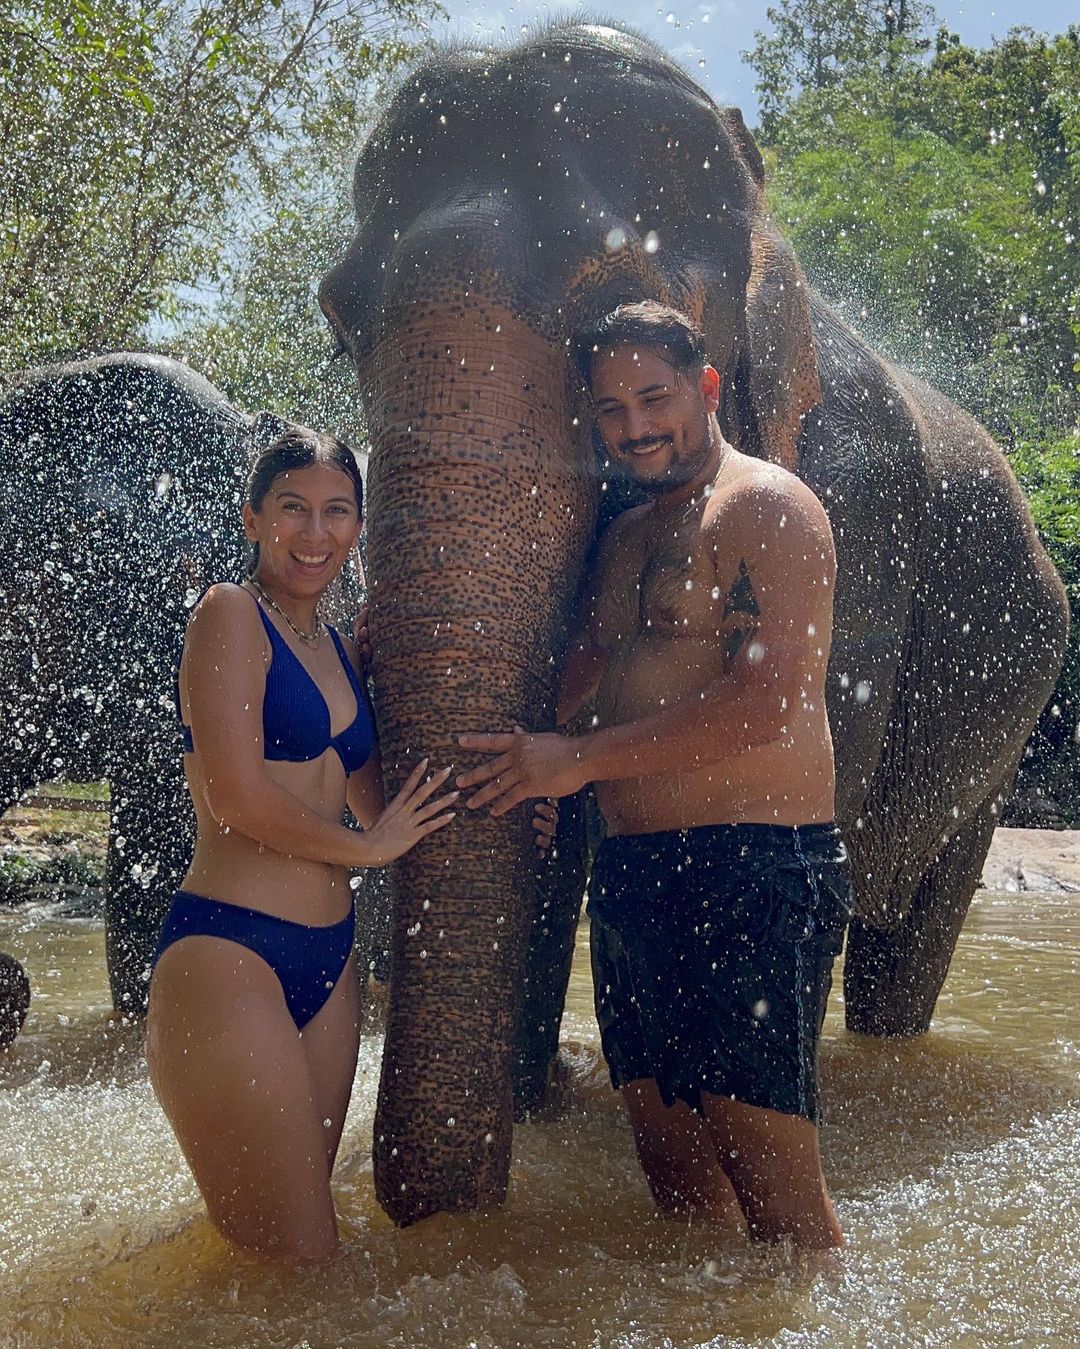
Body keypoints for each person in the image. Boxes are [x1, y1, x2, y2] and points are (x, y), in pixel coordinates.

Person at [457, 302, 851, 1249]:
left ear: (706, 387)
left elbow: (769, 703)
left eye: (654, 397)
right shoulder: (627, 534)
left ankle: (816, 1315)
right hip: (634, 874)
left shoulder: (766, 506)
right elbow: (588, 676)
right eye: (611, 408)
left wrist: (577, 762)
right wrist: (527, 759)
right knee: (677, 1188)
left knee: (779, 1205)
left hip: (754, 869)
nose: (634, 425)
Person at [145, 426, 461, 1264]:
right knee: (306, 1259)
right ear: (253, 518)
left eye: (337, 511)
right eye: (293, 508)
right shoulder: (228, 614)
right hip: (229, 956)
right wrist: (368, 850)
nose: (315, 533)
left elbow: (378, 802)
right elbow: (235, 796)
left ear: (358, 525)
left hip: (328, 963)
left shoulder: (337, 647)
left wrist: (509, 808)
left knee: (285, 1261)